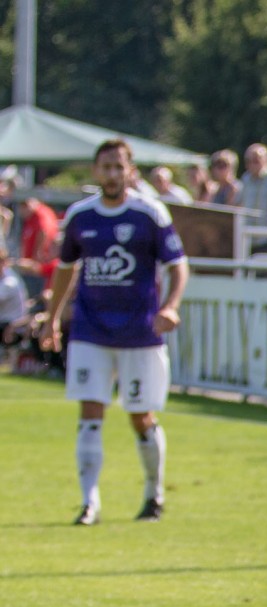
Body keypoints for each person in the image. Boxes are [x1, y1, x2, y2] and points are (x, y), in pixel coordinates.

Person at [42, 139, 189, 525]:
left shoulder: (149, 213)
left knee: (141, 416)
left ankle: (153, 495)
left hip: (140, 332)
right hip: (91, 330)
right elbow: (66, 268)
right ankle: (89, 502)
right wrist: (52, 318)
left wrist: (170, 306)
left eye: (117, 167)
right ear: (96, 171)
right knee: (90, 413)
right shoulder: (80, 216)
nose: (110, 174)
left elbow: (178, 264)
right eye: (104, 167)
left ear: (130, 171)